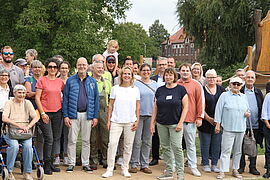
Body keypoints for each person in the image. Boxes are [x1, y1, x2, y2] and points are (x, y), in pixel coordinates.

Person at [150, 68, 188, 180]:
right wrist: (152, 123)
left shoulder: (181, 90)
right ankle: (169, 172)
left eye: (171, 75)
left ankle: (180, 173)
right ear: (164, 77)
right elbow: (155, 107)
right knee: (165, 148)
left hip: (175, 124)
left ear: (175, 76)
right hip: (161, 124)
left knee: (177, 148)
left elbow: (186, 107)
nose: (168, 77)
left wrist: (181, 123)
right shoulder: (160, 90)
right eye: (166, 75)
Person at [102, 66, 140, 178]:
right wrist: (109, 120)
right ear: (121, 75)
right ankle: (110, 169)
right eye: (125, 74)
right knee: (112, 144)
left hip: (130, 121)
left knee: (128, 145)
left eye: (129, 74)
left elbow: (138, 106)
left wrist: (137, 120)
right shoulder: (115, 88)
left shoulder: (135, 89)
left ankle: (125, 168)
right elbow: (111, 105)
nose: (127, 76)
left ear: (132, 76)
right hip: (116, 121)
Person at [63, 57, 99, 173]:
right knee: (72, 140)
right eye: (79, 65)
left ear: (87, 66)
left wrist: (95, 116)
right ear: (76, 66)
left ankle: (85, 163)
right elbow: (66, 99)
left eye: (84, 65)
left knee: (86, 141)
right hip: (73, 114)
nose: (81, 67)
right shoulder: (70, 80)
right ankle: (71, 163)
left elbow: (96, 100)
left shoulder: (92, 81)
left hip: (87, 114)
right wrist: (66, 115)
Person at [215, 77, 250, 179]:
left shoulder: (244, 97)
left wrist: (248, 113)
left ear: (241, 86)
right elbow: (218, 110)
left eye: (238, 84)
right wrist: (217, 124)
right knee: (226, 150)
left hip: (241, 128)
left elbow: (247, 109)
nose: (236, 86)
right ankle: (222, 171)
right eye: (234, 84)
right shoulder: (224, 95)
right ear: (230, 84)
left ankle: (235, 169)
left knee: (238, 150)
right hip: (228, 127)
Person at [2, 84, 39, 180]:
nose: (21, 95)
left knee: (28, 147)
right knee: (14, 146)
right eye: (19, 92)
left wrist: (28, 126)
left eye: (23, 93)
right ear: (14, 93)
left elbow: (35, 117)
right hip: (11, 131)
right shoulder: (9, 103)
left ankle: (27, 172)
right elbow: (4, 118)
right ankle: (9, 171)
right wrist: (19, 126)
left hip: (25, 131)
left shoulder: (27, 103)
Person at [35, 58, 64, 175]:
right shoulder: (42, 80)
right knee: (49, 138)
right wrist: (42, 113)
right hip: (45, 113)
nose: (52, 69)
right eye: (50, 67)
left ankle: (51, 163)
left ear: (57, 69)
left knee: (56, 138)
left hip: (57, 112)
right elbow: (37, 98)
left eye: (55, 67)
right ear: (46, 68)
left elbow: (63, 95)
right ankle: (46, 163)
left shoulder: (60, 82)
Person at [129, 64, 158, 174]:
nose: (146, 72)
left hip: (150, 116)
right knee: (136, 141)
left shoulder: (155, 85)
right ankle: (134, 163)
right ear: (140, 72)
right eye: (143, 70)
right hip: (138, 116)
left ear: (151, 71)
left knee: (147, 141)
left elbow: (157, 101)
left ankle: (144, 164)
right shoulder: (135, 84)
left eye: (148, 70)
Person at [177, 63, 204, 177]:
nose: (185, 72)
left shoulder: (196, 85)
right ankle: (175, 165)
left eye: (187, 70)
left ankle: (193, 166)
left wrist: (199, 117)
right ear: (179, 72)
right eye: (183, 70)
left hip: (190, 120)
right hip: (176, 120)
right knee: (176, 145)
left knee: (190, 145)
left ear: (190, 72)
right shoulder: (175, 83)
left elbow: (200, 101)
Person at [197, 69, 225, 173]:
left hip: (218, 122)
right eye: (209, 77)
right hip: (205, 120)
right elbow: (199, 105)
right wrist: (208, 118)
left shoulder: (222, 90)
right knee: (205, 143)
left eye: (213, 77)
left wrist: (218, 121)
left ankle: (214, 164)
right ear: (206, 78)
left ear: (216, 77)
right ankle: (205, 163)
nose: (211, 79)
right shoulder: (202, 90)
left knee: (216, 144)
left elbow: (224, 106)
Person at [238, 70, 263, 175]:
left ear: (255, 79)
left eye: (252, 77)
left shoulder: (258, 92)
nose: (250, 79)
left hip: (255, 124)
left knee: (253, 146)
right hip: (242, 124)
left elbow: (260, 106)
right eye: (248, 77)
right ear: (244, 78)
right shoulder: (240, 90)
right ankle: (241, 166)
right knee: (241, 146)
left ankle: (252, 167)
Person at [90, 60, 112, 169]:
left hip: (104, 111)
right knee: (93, 138)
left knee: (105, 138)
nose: (100, 69)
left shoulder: (107, 82)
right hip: (91, 111)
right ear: (93, 69)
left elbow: (111, 99)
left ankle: (105, 160)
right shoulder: (88, 81)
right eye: (98, 67)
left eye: (102, 68)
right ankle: (93, 160)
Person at [149, 57, 168, 166]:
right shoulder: (153, 79)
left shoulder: (173, 77)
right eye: (160, 65)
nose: (162, 66)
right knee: (155, 135)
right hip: (155, 109)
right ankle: (155, 157)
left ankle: (167, 158)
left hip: (168, 110)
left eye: (164, 64)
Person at [0, 69, 11, 136]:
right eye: (2, 75)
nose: (4, 77)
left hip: (8, 114)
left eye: (6, 75)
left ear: (9, 77)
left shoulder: (12, 90)